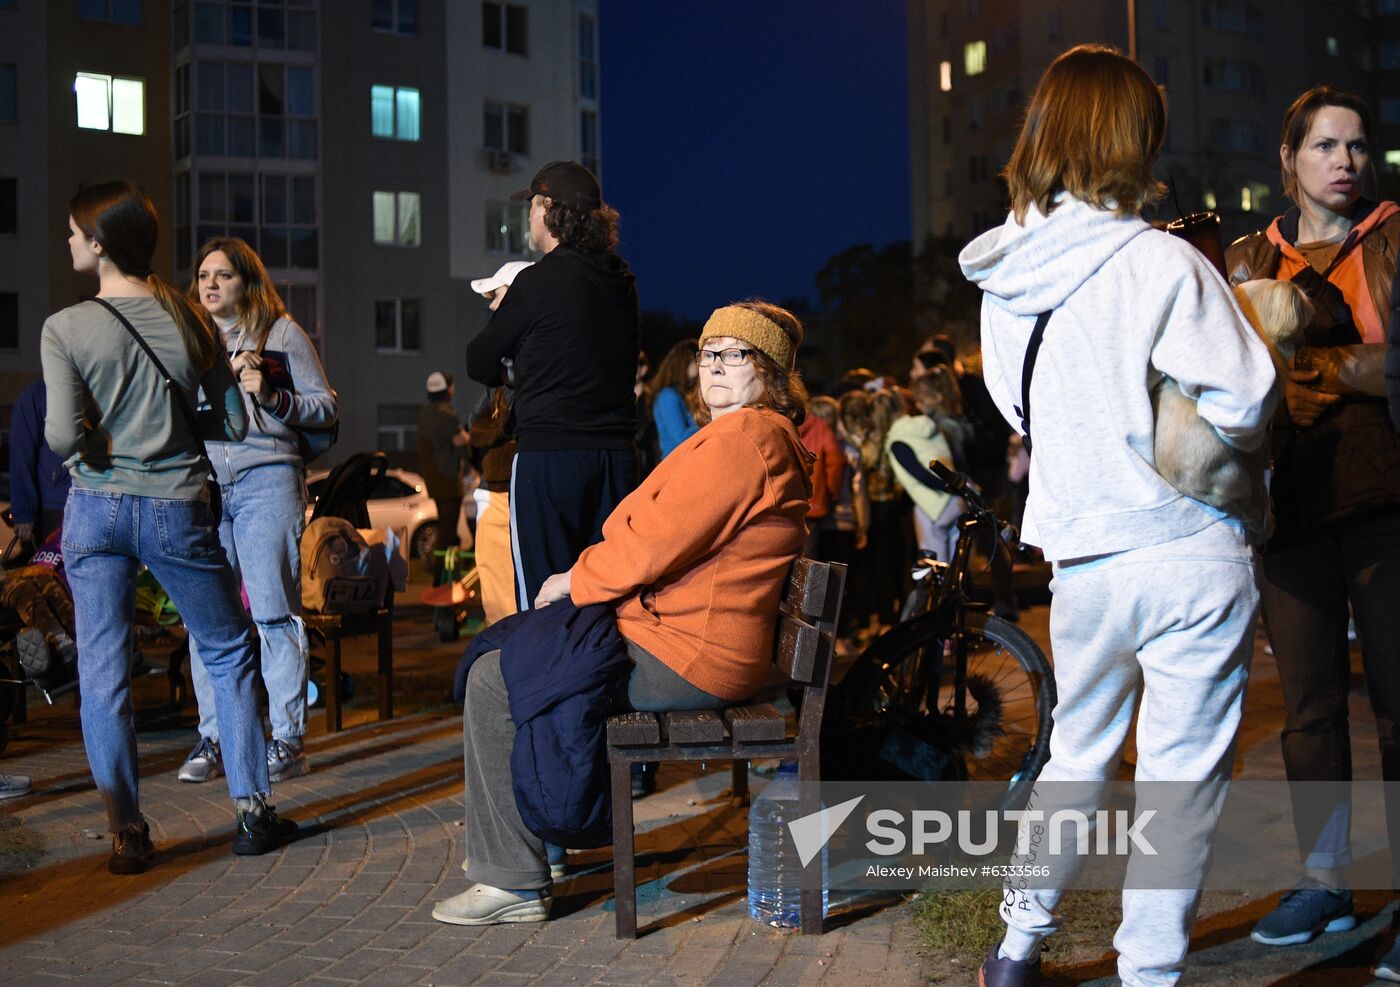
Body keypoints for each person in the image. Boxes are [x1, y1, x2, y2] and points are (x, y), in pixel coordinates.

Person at [958, 46, 1277, 987]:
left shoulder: (1005, 280)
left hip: (1086, 563)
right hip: (1186, 551)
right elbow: (1250, 400)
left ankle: (1017, 949)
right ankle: (1148, 971)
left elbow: (1019, 414)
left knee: (1076, 757)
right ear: (1135, 137)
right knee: (1179, 781)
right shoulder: (1161, 263)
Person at [433, 300, 812, 926]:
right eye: (707, 353)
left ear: (769, 372)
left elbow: (652, 541)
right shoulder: (745, 437)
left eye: (735, 355)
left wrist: (574, 581)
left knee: (499, 675)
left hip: (689, 652)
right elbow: (650, 528)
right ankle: (544, 847)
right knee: (531, 654)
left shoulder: (745, 441)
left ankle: (513, 882)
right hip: (695, 638)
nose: (715, 366)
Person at [41, 179, 297, 874]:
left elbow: (62, 433)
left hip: (93, 508)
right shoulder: (187, 318)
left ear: (99, 244)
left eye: (73, 231)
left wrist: (97, 448)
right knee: (226, 649)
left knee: (103, 674)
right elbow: (233, 418)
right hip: (174, 504)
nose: (67, 241)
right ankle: (250, 810)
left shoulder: (64, 328)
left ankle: (127, 830)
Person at [1224, 86, 1400, 979]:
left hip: (1387, 500)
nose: (1347, 160)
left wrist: (1333, 367)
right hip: (1289, 508)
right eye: (1327, 145)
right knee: (1311, 712)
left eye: (1359, 145)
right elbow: (1222, 377)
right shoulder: (1251, 254)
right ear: (1288, 158)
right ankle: (1325, 875)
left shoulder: (1397, 235)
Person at [466, 161, 641, 610]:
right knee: (607, 596)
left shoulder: (536, 281)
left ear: (548, 209)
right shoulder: (622, 281)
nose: (527, 216)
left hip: (551, 457)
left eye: (531, 206)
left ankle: (549, 680)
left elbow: (479, 360)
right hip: (616, 458)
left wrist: (508, 327)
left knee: (544, 601)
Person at [466, 261, 533, 627]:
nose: (491, 306)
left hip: (504, 493)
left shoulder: (516, 367)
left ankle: (507, 677)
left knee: (503, 606)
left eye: (497, 296)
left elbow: (481, 429)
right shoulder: (520, 362)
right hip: (508, 490)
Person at [417, 371, 469, 579]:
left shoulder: (424, 414)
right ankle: (441, 582)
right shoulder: (447, 414)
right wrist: (466, 439)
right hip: (449, 480)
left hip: (434, 480)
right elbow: (462, 445)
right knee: (447, 533)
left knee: (446, 530)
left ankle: (446, 577)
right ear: (446, 389)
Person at [8, 379, 71, 549]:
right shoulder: (36, 395)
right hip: (52, 509)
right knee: (47, 573)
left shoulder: (94, 388)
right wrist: (24, 513)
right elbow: (21, 455)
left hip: (91, 503)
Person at [648, 339, 700, 458]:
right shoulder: (668, 396)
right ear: (684, 363)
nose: (700, 366)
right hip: (674, 463)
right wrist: (710, 425)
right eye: (696, 361)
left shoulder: (680, 395)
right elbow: (680, 437)